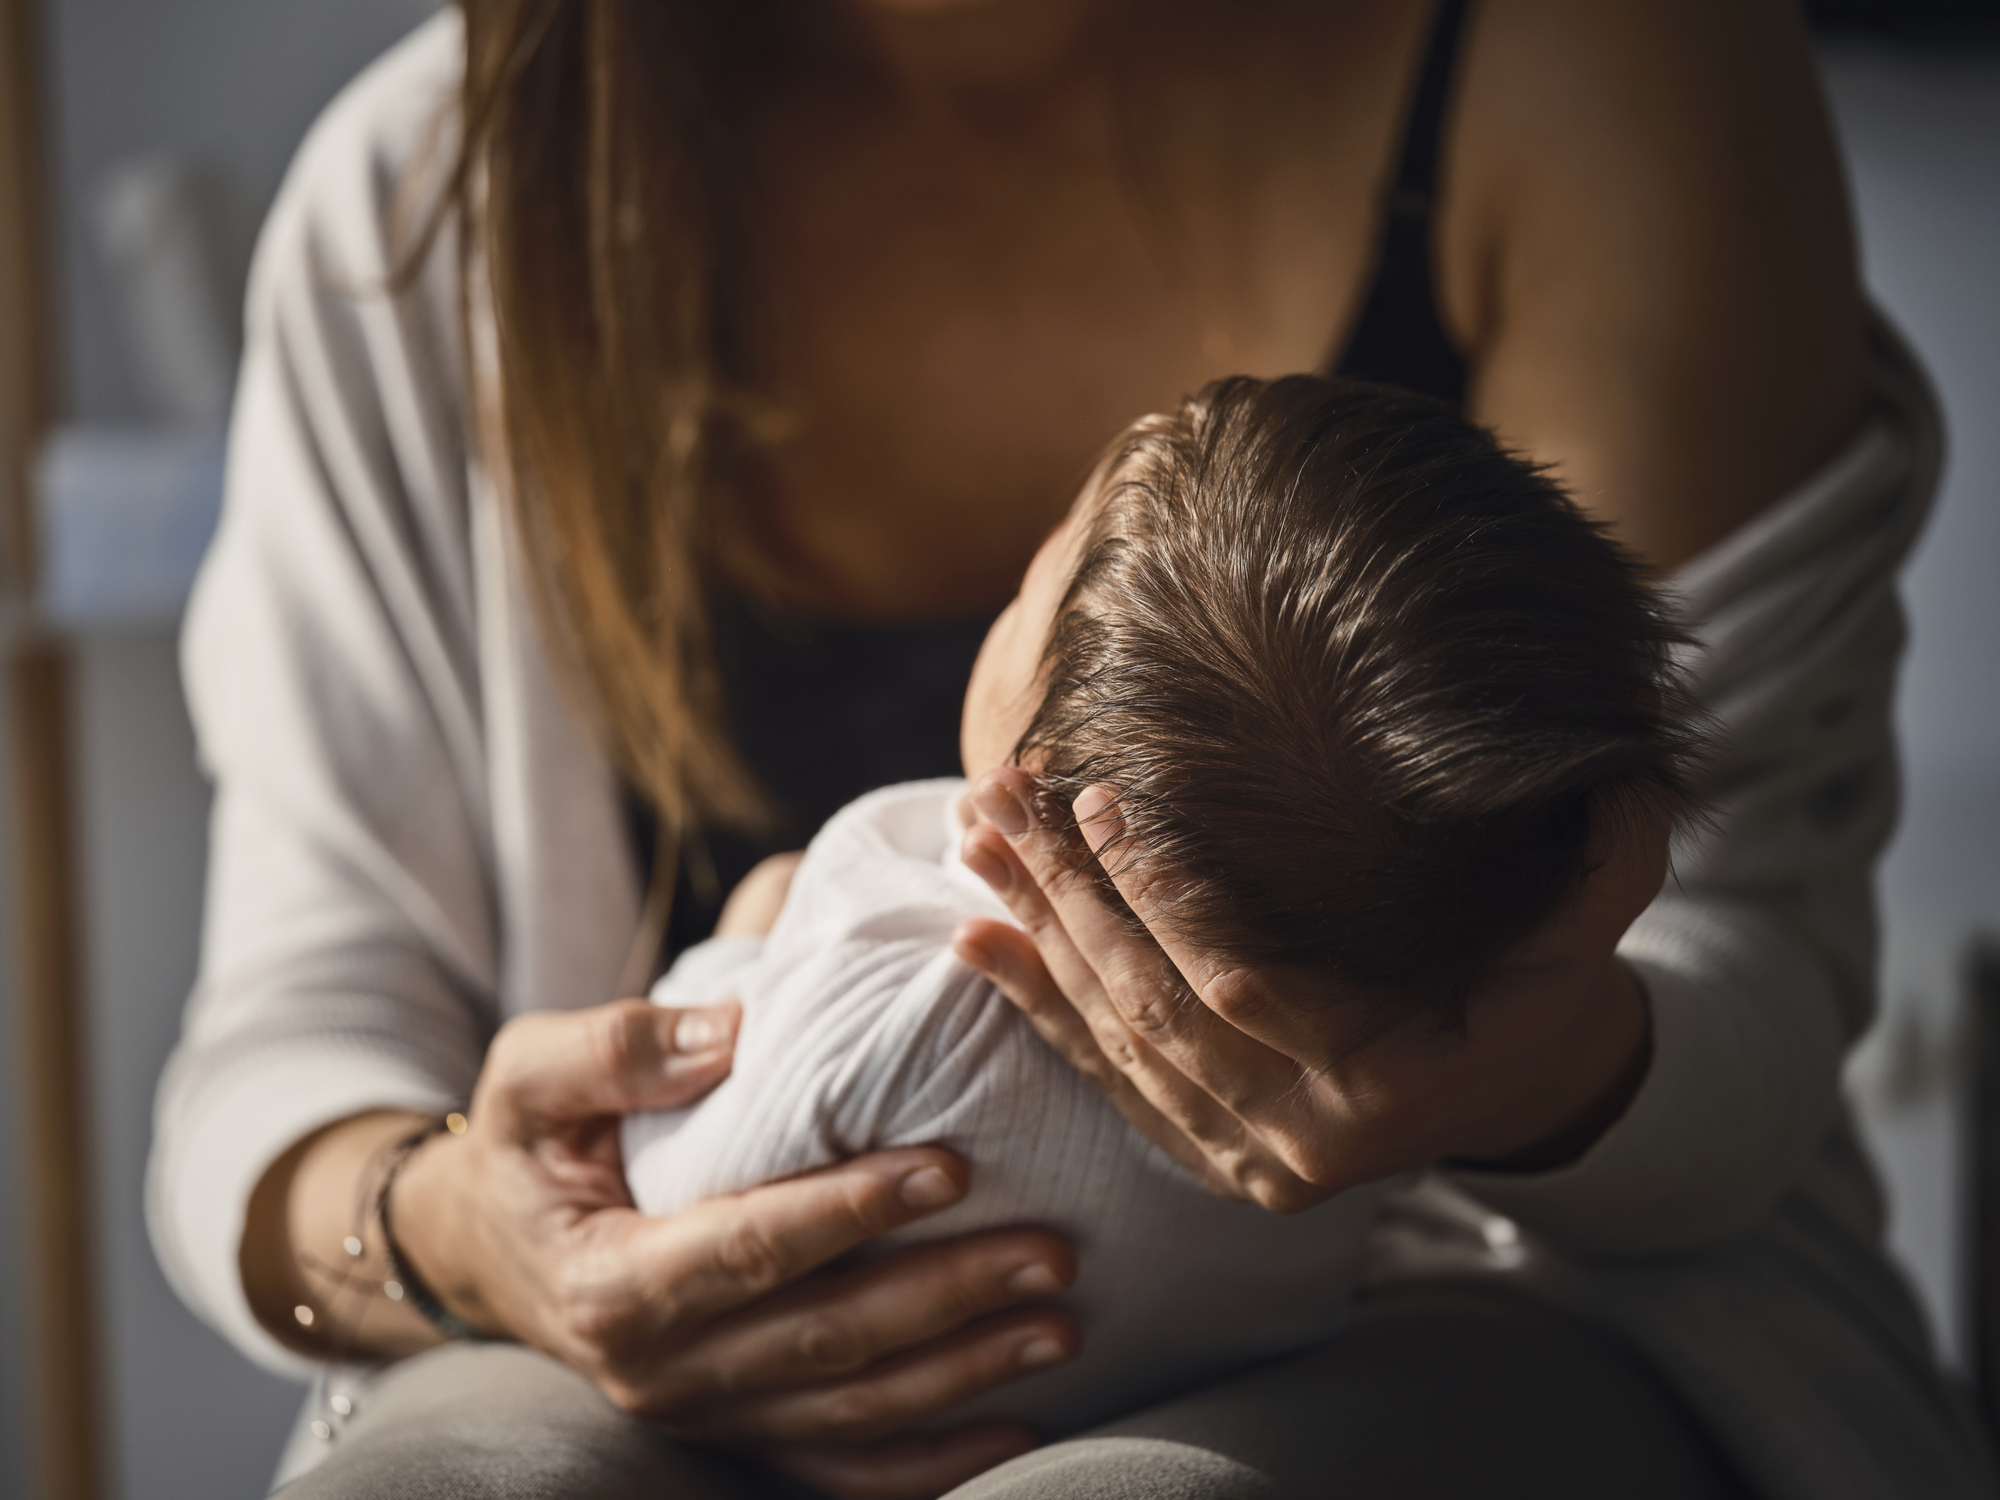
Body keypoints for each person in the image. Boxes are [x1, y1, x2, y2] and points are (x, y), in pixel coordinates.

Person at [145, 0, 1996, 1497]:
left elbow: (1742, 978)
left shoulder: (1594, 70)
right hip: (634, 1356)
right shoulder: (433, 203)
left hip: (1515, 1312)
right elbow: (290, 1043)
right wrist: (457, 1231)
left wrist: (1528, 1069)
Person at [620, 372, 1702, 1441]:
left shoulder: (905, 966)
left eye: (1021, 597)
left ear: (1032, 790)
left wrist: (738, 948)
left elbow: (679, 1187)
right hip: (1180, 1402)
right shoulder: (1386, 1076)